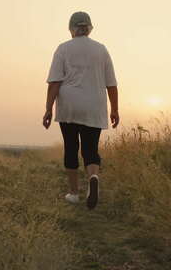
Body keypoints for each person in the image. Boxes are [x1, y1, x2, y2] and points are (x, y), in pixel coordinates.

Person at [43, 11, 119, 210]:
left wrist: (48, 109)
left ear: (71, 28)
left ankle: (74, 193)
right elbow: (111, 84)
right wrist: (115, 110)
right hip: (94, 106)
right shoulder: (101, 50)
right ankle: (93, 176)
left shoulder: (63, 49)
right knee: (90, 149)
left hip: (69, 105)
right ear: (89, 28)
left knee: (71, 147)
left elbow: (55, 82)